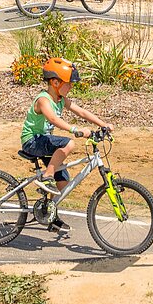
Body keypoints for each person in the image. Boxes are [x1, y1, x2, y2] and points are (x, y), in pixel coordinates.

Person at [21, 57, 114, 230]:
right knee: (69, 144)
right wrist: (75, 130)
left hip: (44, 142)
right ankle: (47, 176)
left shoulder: (61, 99)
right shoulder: (43, 100)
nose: (71, 86)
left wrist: (103, 124)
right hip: (32, 141)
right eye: (68, 83)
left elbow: (81, 112)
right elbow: (53, 119)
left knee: (63, 182)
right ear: (55, 82)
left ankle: (49, 214)